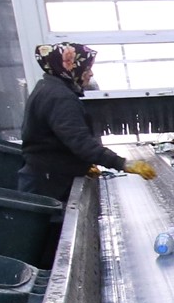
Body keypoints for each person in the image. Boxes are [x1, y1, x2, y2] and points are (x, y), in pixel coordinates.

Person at [20, 41, 155, 200]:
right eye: (87, 68)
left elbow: (56, 139)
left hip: (45, 176)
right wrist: (123, 164)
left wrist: (80, 165)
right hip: (48, 184)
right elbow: (79, 141)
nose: (91, 74)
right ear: (71, 67)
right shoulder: (60, 97)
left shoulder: (48, 87)